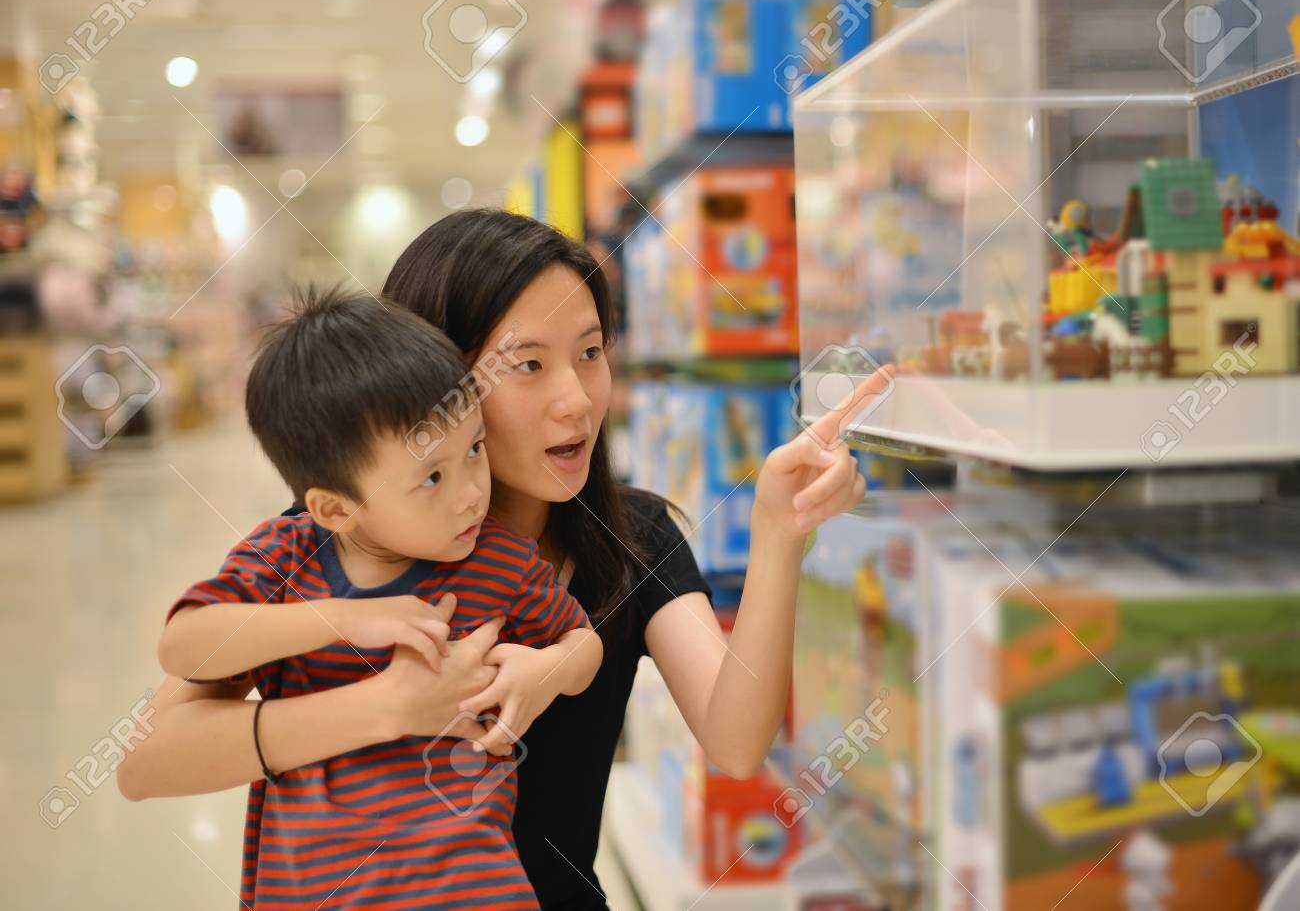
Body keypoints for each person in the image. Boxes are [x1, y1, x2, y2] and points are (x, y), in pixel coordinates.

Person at [118, 209, 893, 911]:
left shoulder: (634, 537)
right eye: (527, 365)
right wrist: (386, 707)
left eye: (591, 353)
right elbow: (147, 762)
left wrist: (778, 536)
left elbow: (735, 740)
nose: (578, 399)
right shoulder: (338, 542)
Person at [154, 286, 601, 909]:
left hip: (474, 890)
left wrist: (548, 671)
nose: (472, 493)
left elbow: (585, 642)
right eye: (432, 478)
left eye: (474, 449)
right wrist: (340, 620)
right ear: (335, 509)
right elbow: (183, 646)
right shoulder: (287, 561)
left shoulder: (494, 561)